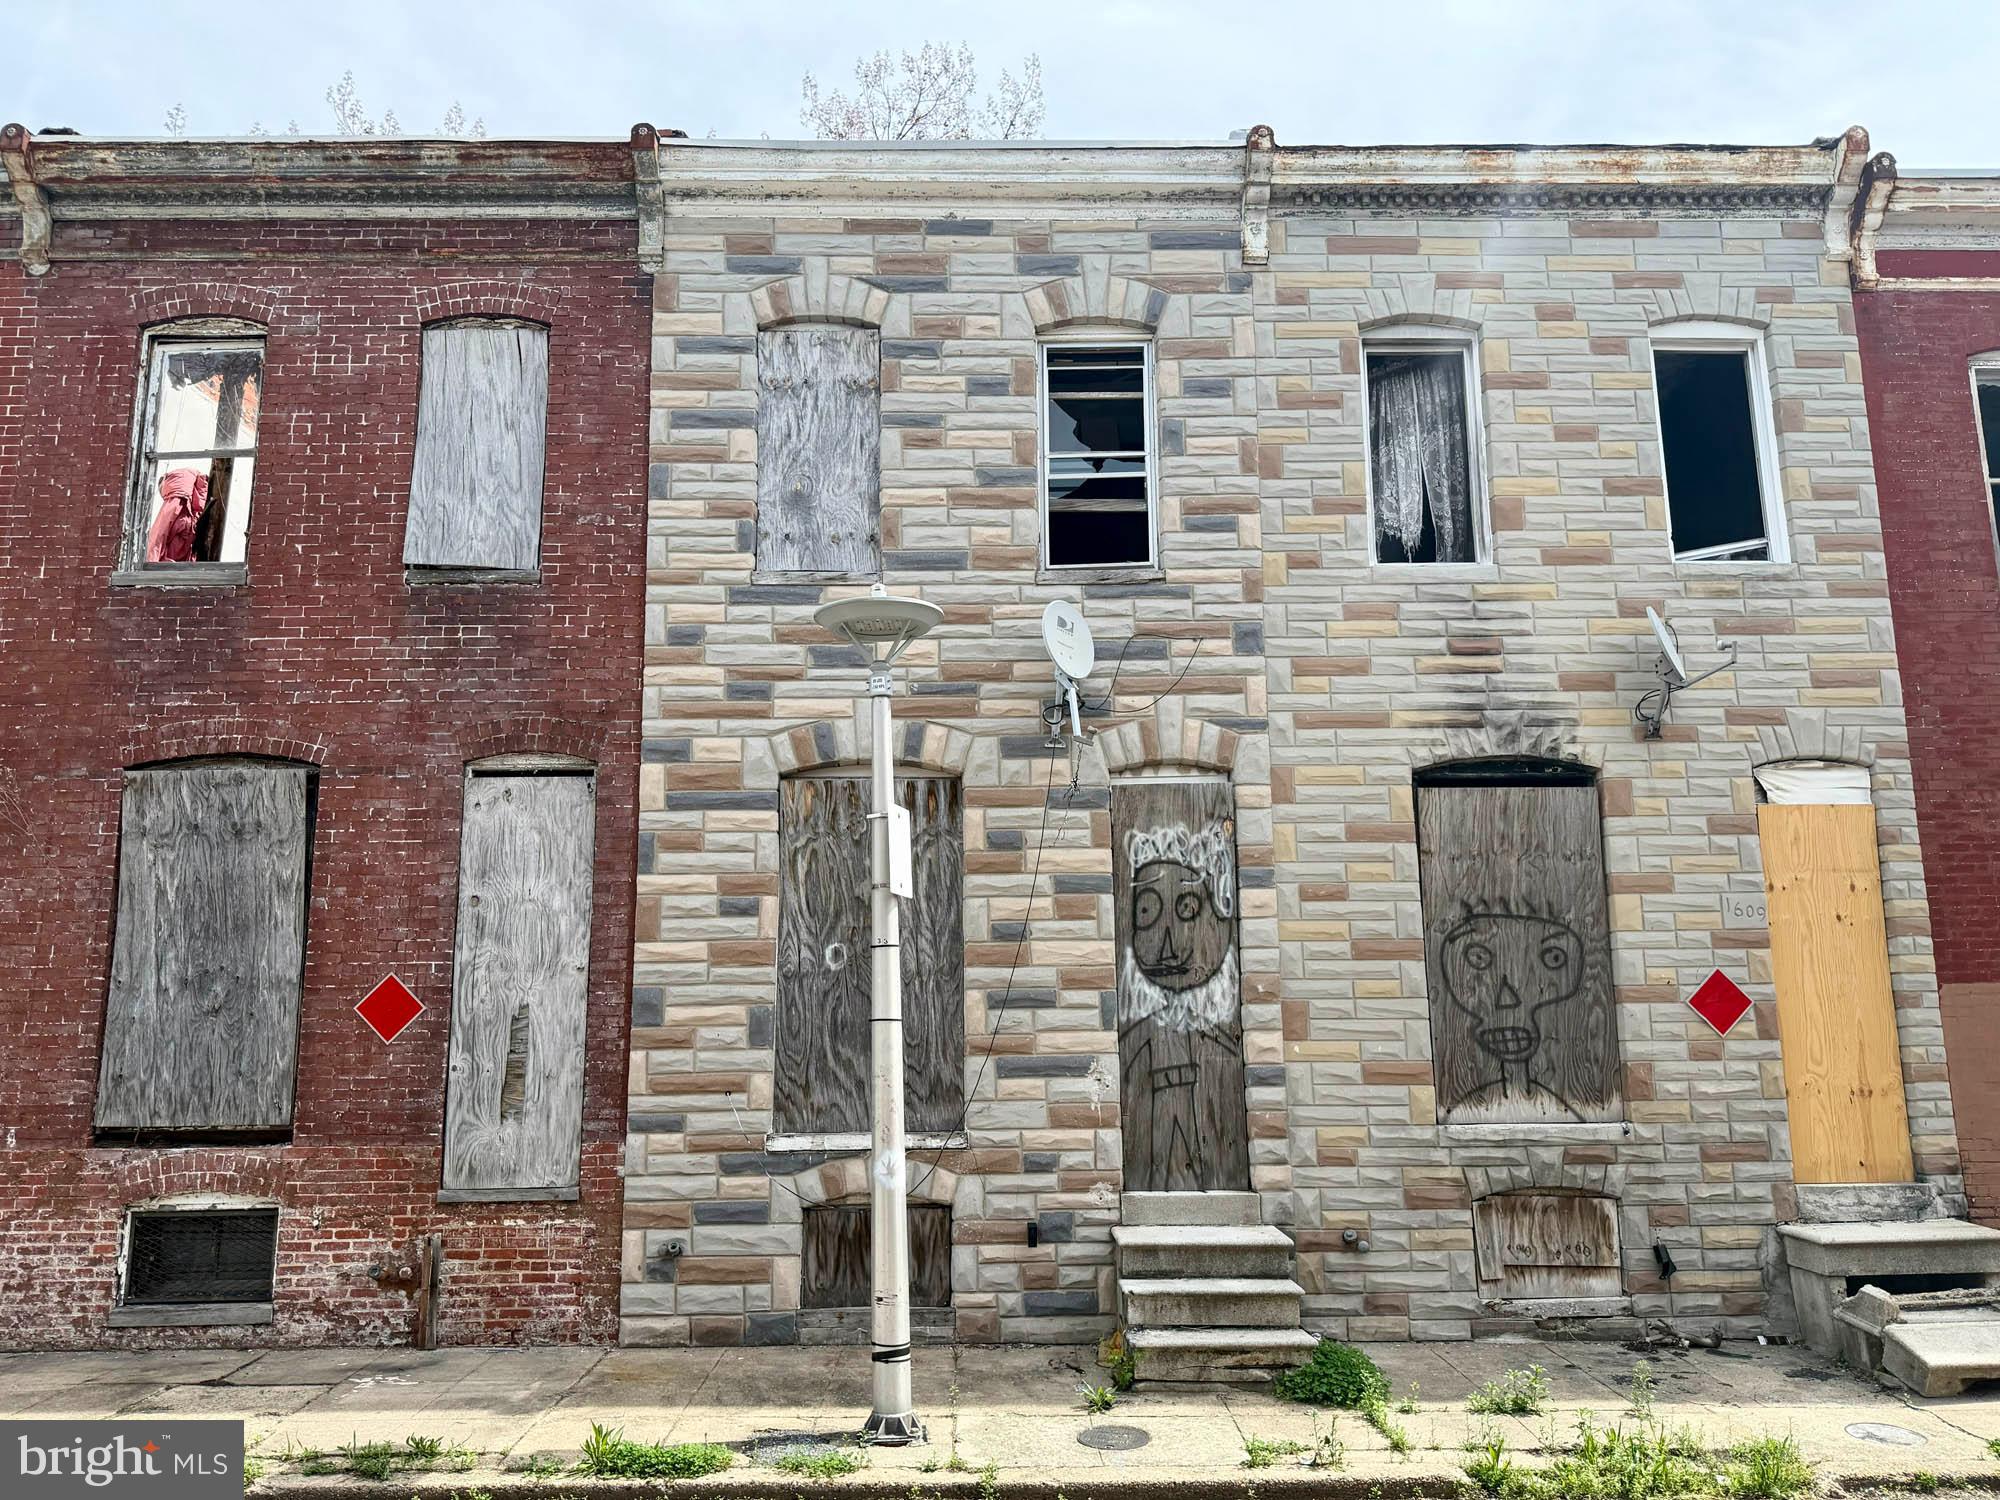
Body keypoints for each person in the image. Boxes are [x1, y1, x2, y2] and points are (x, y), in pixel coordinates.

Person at [145, 468, 209, 563]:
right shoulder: (192, 511)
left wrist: (151, 564)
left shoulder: (175, 505)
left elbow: (158, 536)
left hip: (172, 566)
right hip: (175, 565)